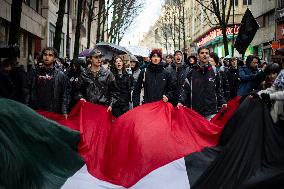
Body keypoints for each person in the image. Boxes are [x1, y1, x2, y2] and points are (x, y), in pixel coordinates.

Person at [177, 47, 227, 120]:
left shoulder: (215, 71)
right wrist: (181, 101)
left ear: (209, 56)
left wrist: (223, 101)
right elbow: (185, 89)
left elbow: (219, 89)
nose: (204, 55)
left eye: (206, 53)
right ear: (198, 56)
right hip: (195, 112)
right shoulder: (191, 71)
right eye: (202, 53)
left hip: (211, 112)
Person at [28, 47, 70, 118]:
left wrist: (64, 111)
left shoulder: (60, 75)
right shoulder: (35, 73)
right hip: (37, 112)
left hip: (53, 112)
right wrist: (27, 108)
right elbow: (28, 91)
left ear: (54, 58)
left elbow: (65, 94)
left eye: (50, 55)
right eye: (45, 54)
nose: (47, 57)